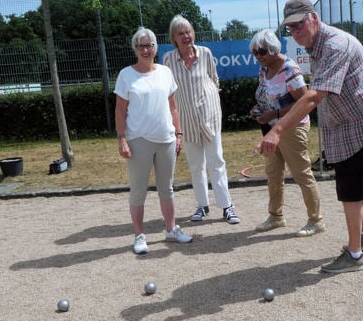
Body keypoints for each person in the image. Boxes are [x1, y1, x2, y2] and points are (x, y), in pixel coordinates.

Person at [258, 0, 363, 273]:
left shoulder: (335, 45)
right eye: (289, 28)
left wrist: (277, 130)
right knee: (359, 184)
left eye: (299, 24)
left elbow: (313, 95)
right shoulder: (318, 44)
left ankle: (354, 255)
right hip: (346, 125)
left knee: (350, 190)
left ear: (313, 18)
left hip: (354, 127)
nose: (295, 31)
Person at [114, 27, 193, 254]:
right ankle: (139, 235)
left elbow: (173, 107)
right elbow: (120, 111)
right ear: (135, 49)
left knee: (167, 188)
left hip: (166, 138)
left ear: (155, 47)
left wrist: (178, 134)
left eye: (149, 45)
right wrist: (122, 139)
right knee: (138, 190)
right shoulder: (126, 75)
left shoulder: (165, 72)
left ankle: (171, 228)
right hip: (138, 139)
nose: (145, 50)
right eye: (141, 46)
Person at [161, 15, 240, 225]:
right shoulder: (168, 59)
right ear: (174, 38)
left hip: (210, 117)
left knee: (217, 162)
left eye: (188, 32)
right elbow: (169, 91)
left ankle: (226, 206)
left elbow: (214, 79)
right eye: (181, 33)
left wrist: (209, 99)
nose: (186, 36)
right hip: (186, 121)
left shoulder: (205, 53)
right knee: (196, 166)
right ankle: (202, 205)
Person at [249, 29, 324, 237]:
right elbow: (268, 96)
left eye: (261, 51)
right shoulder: (264, 69)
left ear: (273, 49)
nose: (258, 56)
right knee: (273, 173)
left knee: (301, 173)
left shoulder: (289, 69)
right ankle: (276, 216)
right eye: (254, 52)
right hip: (272, 127)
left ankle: (316, 220)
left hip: (293, 127)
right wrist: (259, 109)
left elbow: (304, 101)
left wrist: (275, 112)